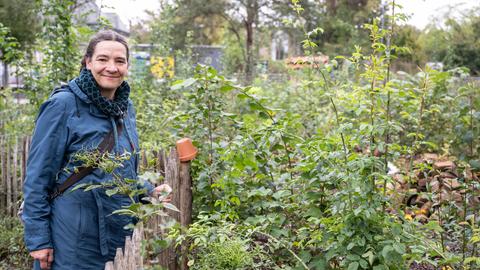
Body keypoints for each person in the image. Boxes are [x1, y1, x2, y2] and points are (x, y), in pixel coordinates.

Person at [23, 30, 169, 270]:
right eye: (103, 59)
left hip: (119, 234)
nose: (111, 67)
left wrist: (149, 190)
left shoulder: (125, 108)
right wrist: (39, 239)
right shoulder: (63, 105)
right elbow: (38, 177)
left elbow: (118, 170)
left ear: (127, 66)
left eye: (119, 61)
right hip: (73, 241)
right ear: (88, 62)